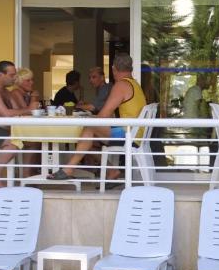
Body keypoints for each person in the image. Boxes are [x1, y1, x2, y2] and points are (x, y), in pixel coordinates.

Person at [49, 53, 146, 181]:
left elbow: (103, 116)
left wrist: (91, 120)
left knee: (89, 129)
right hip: (135, 133)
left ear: (114, 69)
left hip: (129, 134)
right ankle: (111, 171)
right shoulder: (135, 84)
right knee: (88, 140)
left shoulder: (121, 85)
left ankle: (69, 169)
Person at [0, 60, 40, 188]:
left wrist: (29, 106)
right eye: (11, 75)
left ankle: (26, 176)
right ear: (0, 75)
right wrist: (29, 109)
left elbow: (16, 110)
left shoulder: (4, 90)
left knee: (32, 141)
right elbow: (6, 113)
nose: (14, 78)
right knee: (14, 142)